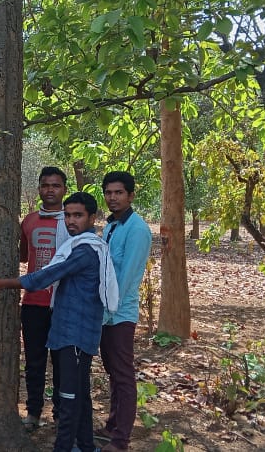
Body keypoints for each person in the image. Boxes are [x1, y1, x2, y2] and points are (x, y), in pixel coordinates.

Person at [0, 192, 117, 452]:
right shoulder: (77, 246)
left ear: (92, 218)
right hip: (67, 330)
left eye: (78, 215)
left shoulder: (85, 251)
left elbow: (47, 276)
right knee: (80, 395)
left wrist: (1, 284)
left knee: (69, 398)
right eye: (67, 215)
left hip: (76, 333)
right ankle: (87, 446)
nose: (71, 221)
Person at [98, 171, 152, 452]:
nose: (113, 198)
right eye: (108, 193)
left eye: (118, 193)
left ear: (131, 196)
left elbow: (126, 277)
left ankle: (121, 440)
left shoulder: (138, 230)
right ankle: (112, 424)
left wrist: (107, 312)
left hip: (120, 314)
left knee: (123, 374)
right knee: (112, 371)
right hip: (105, 312)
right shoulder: (110, 228)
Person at [17, 166, 69, 430]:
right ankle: (33, 413)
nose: (50, 190)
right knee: (35, 361)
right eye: (45, 185)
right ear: (39, 188)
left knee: (61, 362)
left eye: (56, 185)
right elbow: (24, 256)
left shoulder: (71, 222)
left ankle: (61, 414)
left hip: (62, 303)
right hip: (33, 302)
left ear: (64, 190)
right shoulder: (29, 221)